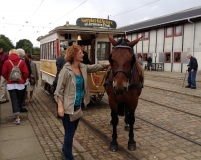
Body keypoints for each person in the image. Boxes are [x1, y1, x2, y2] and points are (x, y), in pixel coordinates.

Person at [54, 44, 110, 160]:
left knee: (72, 131)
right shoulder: (66, 71)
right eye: (80, 52)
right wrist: (60, 107)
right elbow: (58, 91)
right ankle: (68, 157)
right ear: (74, 55)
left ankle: (65, 149)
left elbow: (95, 67)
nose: (83, 54)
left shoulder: (82, 67)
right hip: (68, 107)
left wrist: (109, 63)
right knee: (69, 133)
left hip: (78, 106)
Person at [2, 49, 29, 125]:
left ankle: (17, 118)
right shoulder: (22, 62)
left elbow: (3, 73)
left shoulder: (7, 62)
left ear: (10, 54)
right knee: (19, 99)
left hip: (11, 84)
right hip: (20, 84)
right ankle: (18, 114)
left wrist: (8, 78)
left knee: (14, 100)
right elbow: (26, 73)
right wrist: (22, 79)